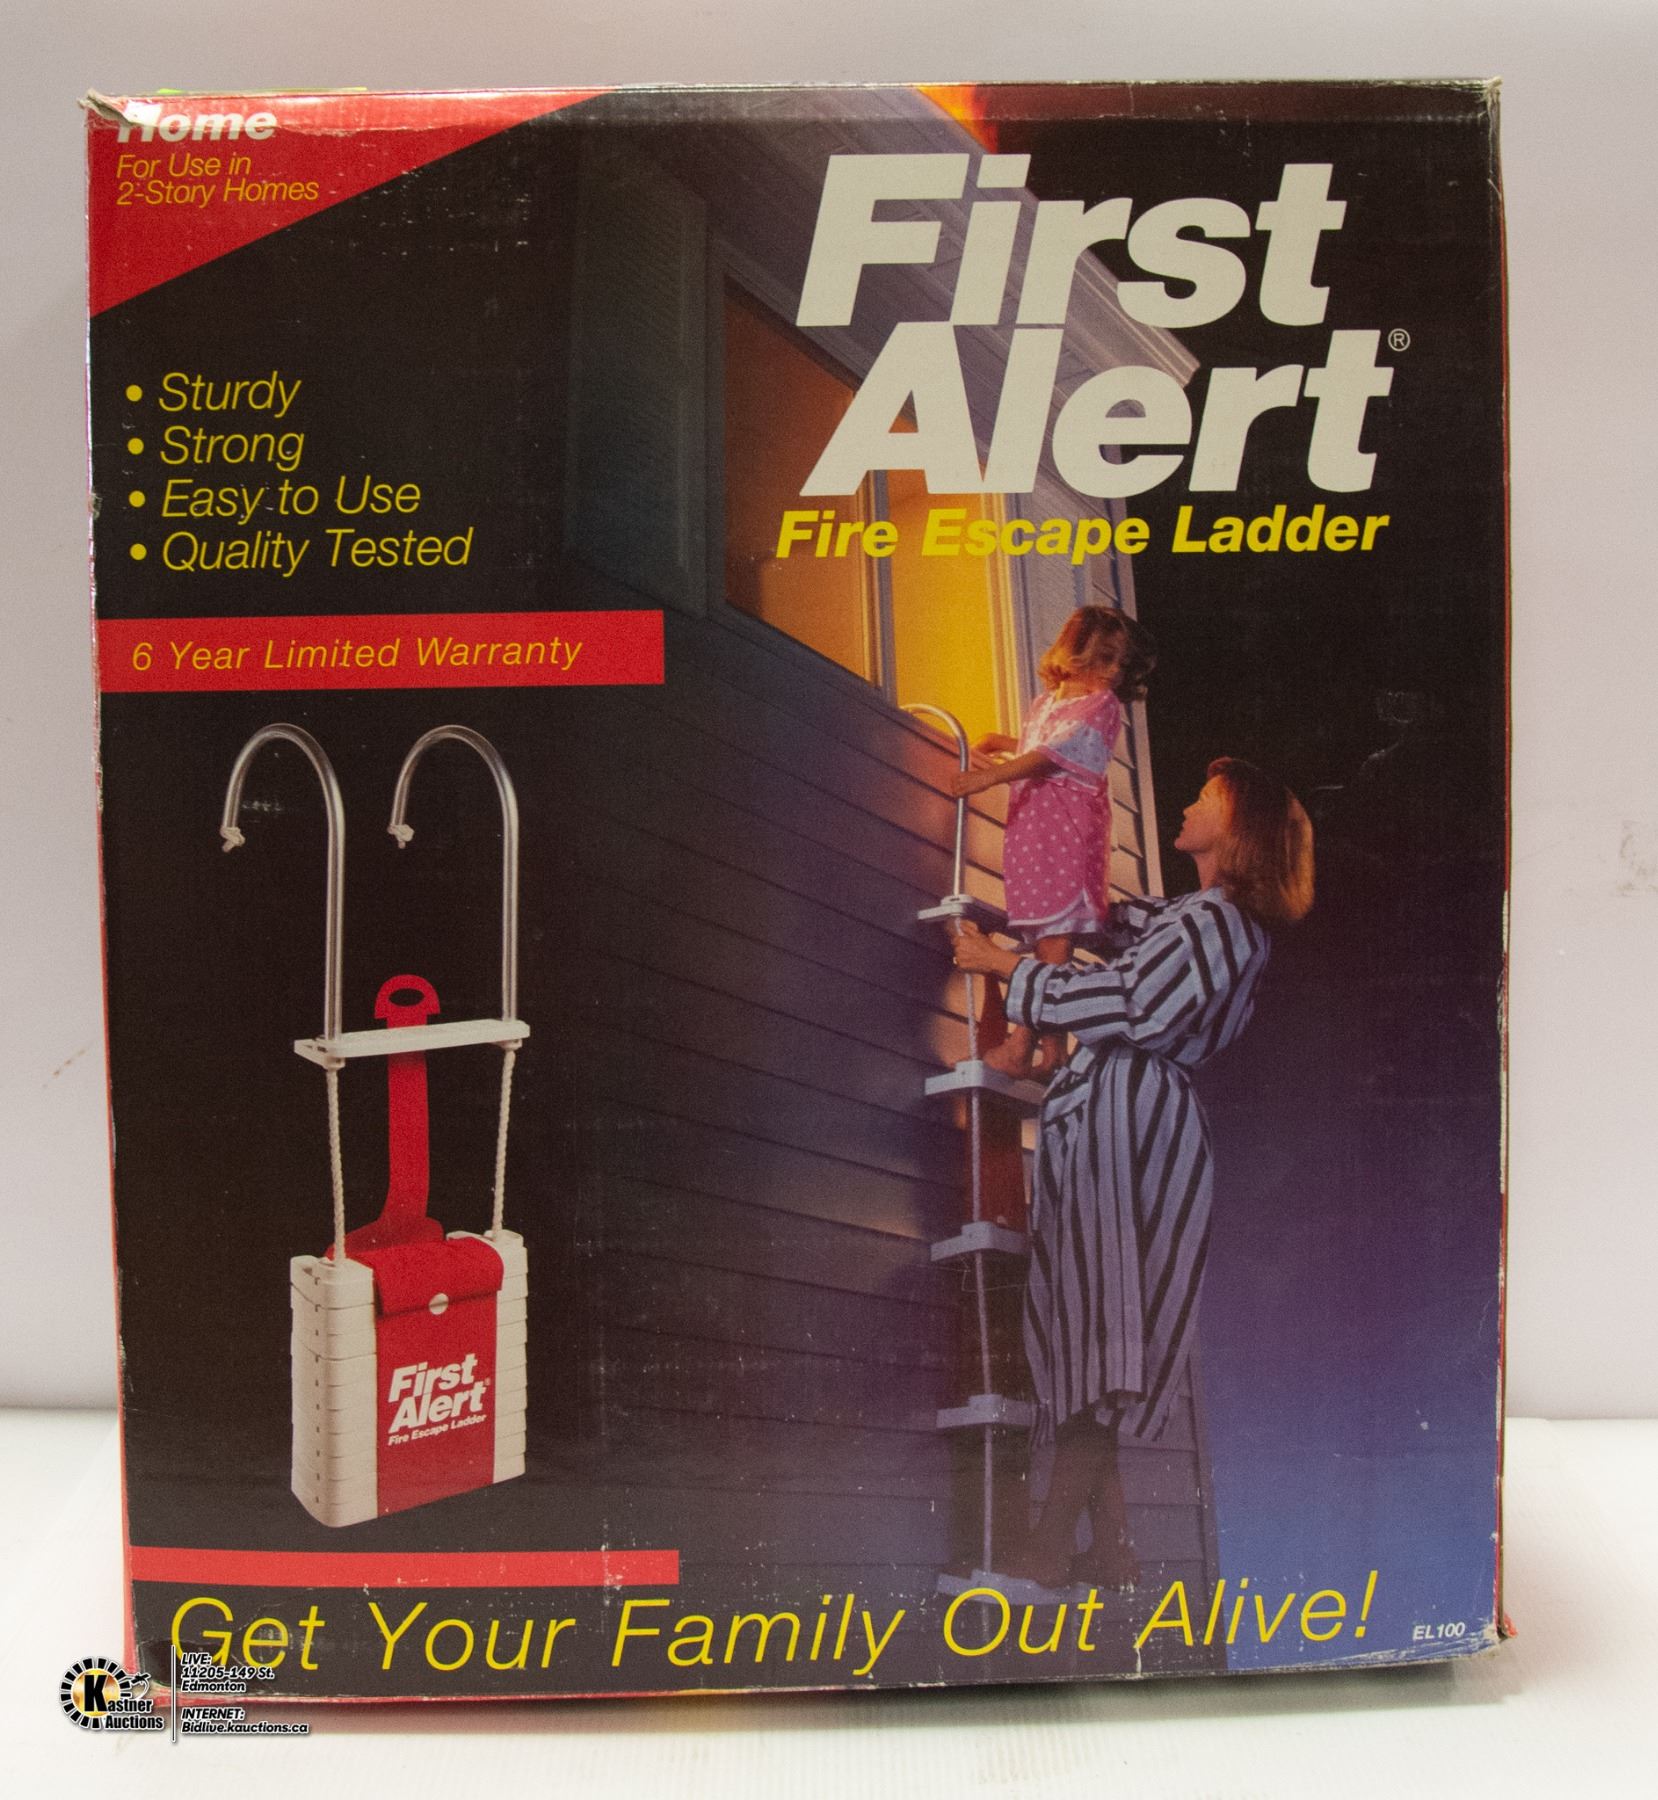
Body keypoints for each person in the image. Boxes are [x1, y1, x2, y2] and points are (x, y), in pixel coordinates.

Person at [951, 757, 1314, 1591]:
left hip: (1134, 1123)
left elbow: (1133, 1003)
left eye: (1207, 798)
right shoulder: (1193, 916)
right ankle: (1113, 1550)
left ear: (1239, 830)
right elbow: (1111, 925)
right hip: (1111, 1113)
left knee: (1101, 1341)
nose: (1188, 804)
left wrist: (1006, 967)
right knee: (1089, 1339)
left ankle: (1048, 1549)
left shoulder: (1223, 925)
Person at [948, 606, 1155, 1081]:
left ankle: (1022, 1043)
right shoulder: (1046, 703)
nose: (1113, 672)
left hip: (1068, 835)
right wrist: (1002, 743)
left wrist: (991, 776)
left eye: (1120, 664)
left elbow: (1055, 754)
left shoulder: (1102, 706)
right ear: (1077, 651)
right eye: (1106, 659)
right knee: (1044, 934)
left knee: (1057, 933)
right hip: (1033, 834)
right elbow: (1039, 744)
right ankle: (1055, 1051)